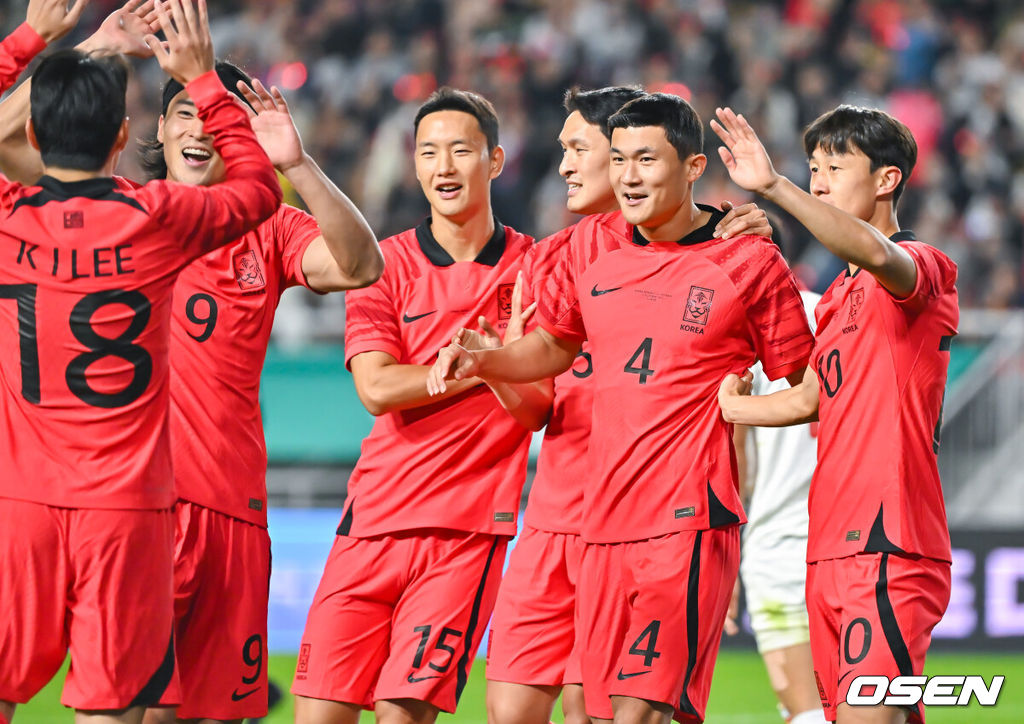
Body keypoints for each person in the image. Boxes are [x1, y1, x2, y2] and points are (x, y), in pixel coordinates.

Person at [0, 4, 383, 722]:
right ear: (150, 132)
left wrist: (297, 162)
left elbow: (361, 264)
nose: (201, 126)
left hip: (219, 507)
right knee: (126, 706)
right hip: (130, 505)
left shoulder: (267, 228)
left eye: (216, 116)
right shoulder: (141, 215)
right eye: (183, 114)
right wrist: (186, 80)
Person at [428, 92, 813, 724]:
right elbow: (551, 348)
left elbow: (813, 383)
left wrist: (745, 413)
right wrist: (485, 360)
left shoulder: (745, 256)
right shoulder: (584, 259)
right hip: (595, 523)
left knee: (633, 714)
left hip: (686, 521)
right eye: (619, 158)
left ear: (692, 167)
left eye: (644, 159)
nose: (627, 174)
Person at [290, 87, 551, 724]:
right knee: (318, 716)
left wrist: (491, 364)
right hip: (370, 522)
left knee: (402, 715)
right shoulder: (382, 263)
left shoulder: (537, 267)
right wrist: (480, 364)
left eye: (461, 150)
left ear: (494, 160)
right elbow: (376, 389)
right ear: (413, 164)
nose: (443, 166)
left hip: (464, 535)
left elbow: (536, 409)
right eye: (428, 151)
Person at [713, 105, 958, 724]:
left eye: (834, 167)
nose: (818, 180)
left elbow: (877, 253)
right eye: (812, 168)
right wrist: (735, 403)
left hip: (889, 542)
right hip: (826, 547)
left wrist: (774, 187)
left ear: (887, 179)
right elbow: (812, 398)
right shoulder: (840, 299)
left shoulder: (921, 268)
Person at [725, 227, 826, 724]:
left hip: (780, 543)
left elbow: (739, 461)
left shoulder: (746, 330)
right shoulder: (834, 310)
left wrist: (727, 554)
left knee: (801, 707)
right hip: (848, 537)